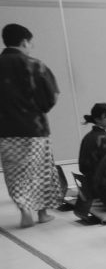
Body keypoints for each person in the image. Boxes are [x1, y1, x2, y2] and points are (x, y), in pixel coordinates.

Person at [0, 23, 61, 228]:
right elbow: (52, 94)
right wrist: (40, 108)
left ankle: (25, 211)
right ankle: (42, 214)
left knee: (15, 172)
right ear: (25, 41)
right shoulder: (35, 65)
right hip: (35, 128)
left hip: (6, 130)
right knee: (40, 171)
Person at [78, 102, 106, 182]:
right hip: (103, 186)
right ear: (97, 119)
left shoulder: (88, 136)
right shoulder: (104, 139)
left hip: (91, 183)